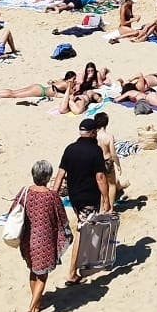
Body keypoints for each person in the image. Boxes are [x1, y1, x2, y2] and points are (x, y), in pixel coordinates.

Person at [17, 160, 72, 312]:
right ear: (48, 177)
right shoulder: (51, 196)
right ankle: (31, 310)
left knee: (33, 271)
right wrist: (68, 235)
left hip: (27, 238)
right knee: (42, 275)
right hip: (44, 240)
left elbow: (15, 211)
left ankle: (37, 301)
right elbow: (62, 218)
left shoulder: (24, 192)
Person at [58, 117, 110, 285]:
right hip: (88, 197)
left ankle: (86, 260)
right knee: (82, 231)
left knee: (87, 227)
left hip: (74, 197)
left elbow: (59, 176)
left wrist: (53, 195)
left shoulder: (70, 149)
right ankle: (72, 273)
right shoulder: (95, 151)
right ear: (93, 133)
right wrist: (107, 199)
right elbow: (101, 177)